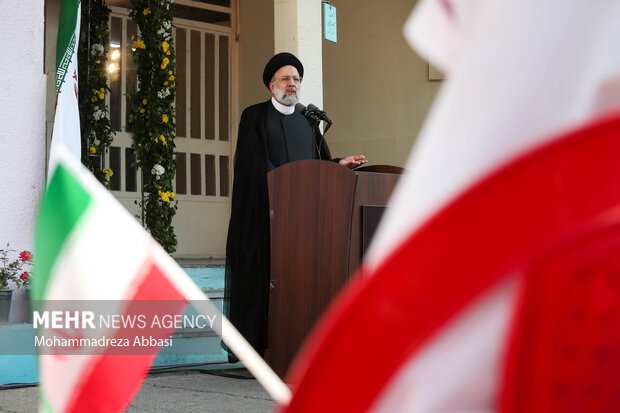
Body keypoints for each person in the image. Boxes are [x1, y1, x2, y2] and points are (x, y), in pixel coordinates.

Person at [224, 52, 367, 360]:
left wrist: (338, 164)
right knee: (260, 285)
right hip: (264, 218)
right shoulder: (255, 116)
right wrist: (285, 185)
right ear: (271, 84)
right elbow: (252, 165)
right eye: (286, 78)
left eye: (297, 79)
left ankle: (296, 347)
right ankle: (255, 352)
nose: (292, 84)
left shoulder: (307, 122)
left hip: (300, 223)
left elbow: (314, 164)